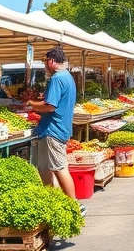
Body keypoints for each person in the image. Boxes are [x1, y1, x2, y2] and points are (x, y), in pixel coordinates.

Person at [25, 45, 81, 208]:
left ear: (51, 61)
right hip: (56, 128)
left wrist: (32, 104)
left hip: (53, 130)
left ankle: (74, 205)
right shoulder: (68, 77)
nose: (44, 67)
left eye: (44, 63)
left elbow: (50, 106)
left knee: (59, 167)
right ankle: (52, 202)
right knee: (45, 168)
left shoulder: (57, 78)